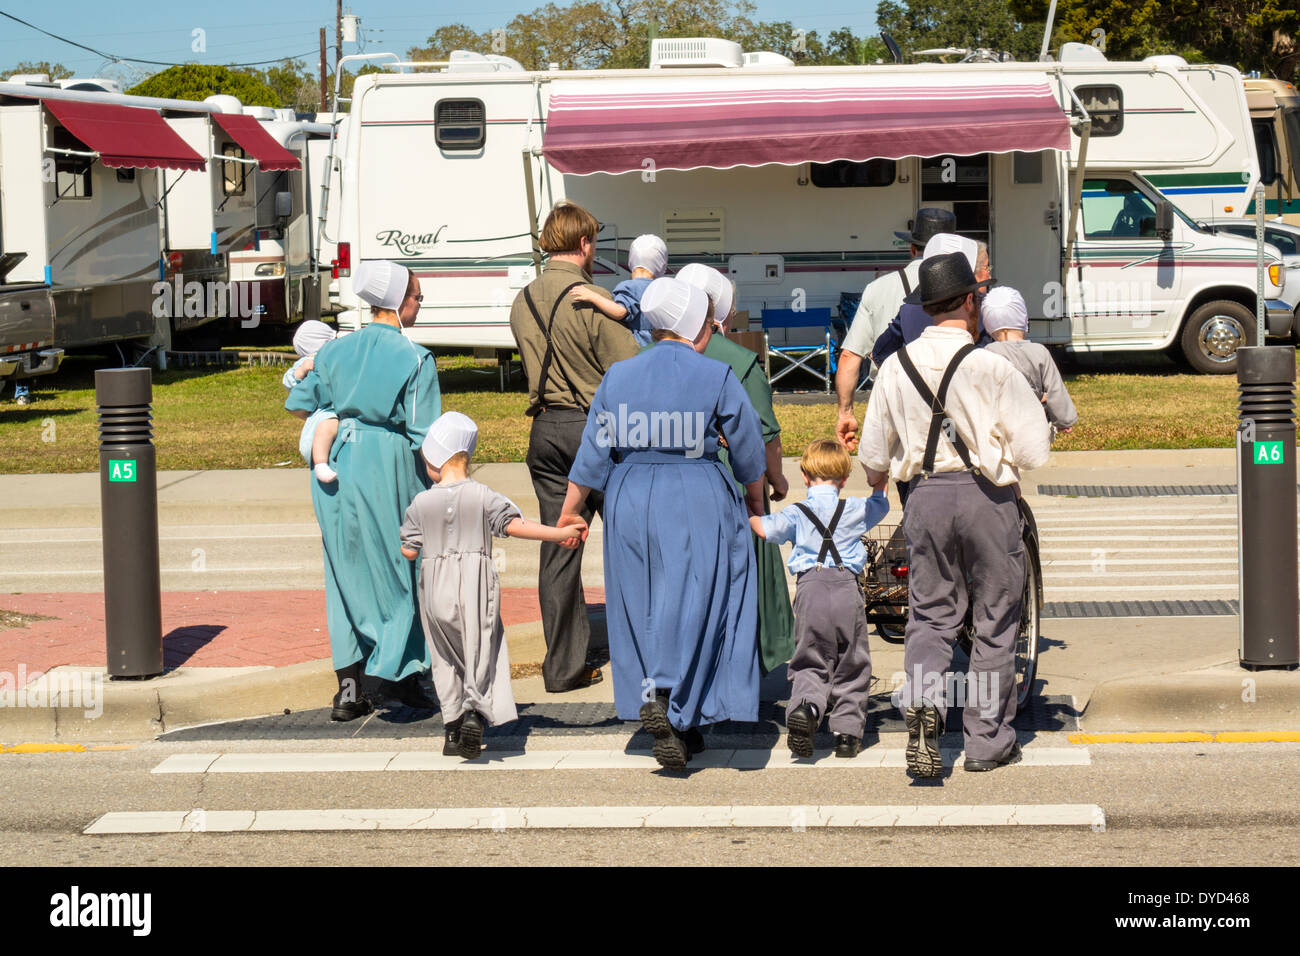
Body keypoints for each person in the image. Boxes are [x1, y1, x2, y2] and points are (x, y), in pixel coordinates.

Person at [560, 277, 767, 770]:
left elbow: (592, 453)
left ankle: (661, 702)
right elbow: (748, 453)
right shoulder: (716, 374)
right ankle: (681, 706)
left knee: (642, 603)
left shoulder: (618, 376)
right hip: (697, 490)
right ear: (696, 320)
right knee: (702, 601)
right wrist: (756, 504)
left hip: (629, 492)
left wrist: (571, 509)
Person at [858, 252, 1051, 777]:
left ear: (925, 306)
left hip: (925, 497)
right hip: (987, 497)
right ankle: (986, 741)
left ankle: (924, 702)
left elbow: (874, 458)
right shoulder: (993, 366)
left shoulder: (894, 367)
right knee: (994, 618)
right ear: (970, 301)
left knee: (930, 614)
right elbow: (1034, 452)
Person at [286, 259, 442, 720]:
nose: (420, 303)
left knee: (343, 570)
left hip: (336, 461)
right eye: (416, 296)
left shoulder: (336, 350)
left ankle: (350, 686)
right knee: (401, 565)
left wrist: (334, 409)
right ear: (397, 302)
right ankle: (406, 675)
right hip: (388, 461)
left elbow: (298, 401)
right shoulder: (415, 358)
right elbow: (424, 433)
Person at [400, 412, 586, 760]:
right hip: (475, 583)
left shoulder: (420, 503)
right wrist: (559, 534)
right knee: (481, 648)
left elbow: (408, 550)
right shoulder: (484, 495)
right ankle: (475, 711)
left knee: (444, 656)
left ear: (435, 461)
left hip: (435, 587)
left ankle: (452, 728)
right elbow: (516, 525)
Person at [509, 201, 640, 694]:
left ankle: (562, 666)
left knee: (559, 544)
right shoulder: (590, 297)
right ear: (584, 244)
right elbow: (628, 366)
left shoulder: (523, 300)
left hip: (544, 429)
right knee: (629, 542)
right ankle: (642, 655)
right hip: (594, 430)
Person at [677, 261, 794, 674]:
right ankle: (743, 660)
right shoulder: (741, 362)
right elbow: (765, 436)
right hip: (733, 482)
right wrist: (775, 481)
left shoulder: (650, 355)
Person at [751, 439, 888, 759]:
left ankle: (808, 708)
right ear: (843, 480)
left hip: (810, 589)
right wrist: (879, 482)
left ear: (804, 476)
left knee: (810, 657)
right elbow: (879, 505)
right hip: (846, 589)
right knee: (852, 661)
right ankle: (847, 734)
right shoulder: (853, 509)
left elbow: (764, 530)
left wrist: (752, 510)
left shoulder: (796, 513)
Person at [836, 207, 957, 451]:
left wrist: (845, 412)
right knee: (950, 458)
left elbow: (850, 356)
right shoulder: (965, 290)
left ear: (912, 249)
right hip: (951, 399)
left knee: (898, 466)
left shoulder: (877, 289)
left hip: (892, 399)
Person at [869, 234, 992, 368]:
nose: (989, 274)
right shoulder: (988, 309)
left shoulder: (908, 311)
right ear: (969, 270)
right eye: (986, 268)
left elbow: (879, 354)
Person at [981, 287, 1078, 433]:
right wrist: (1064, 420)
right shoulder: (1039, 352)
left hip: (998, 428)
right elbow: (1055, 389)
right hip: (1032, 427)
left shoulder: (987, 354)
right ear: (1023, 319)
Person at [568, 234, 667, 346]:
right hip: (659, 344)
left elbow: (620, 312)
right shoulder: (662, 288)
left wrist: (593, 296)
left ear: (631, 261)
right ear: (662, 265)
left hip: (638, 346)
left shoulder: (630, 287)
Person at [282, 319, 340, 484]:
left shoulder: (332, 357)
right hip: (322, 410)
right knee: (327, 426)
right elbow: (288, 381)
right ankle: (321, 463)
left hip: (331, 405)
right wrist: (301, 371)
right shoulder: (306, 362)